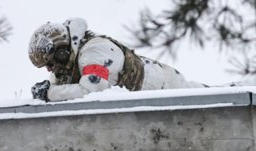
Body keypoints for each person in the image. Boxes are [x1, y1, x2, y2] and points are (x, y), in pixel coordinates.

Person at [27, 18, 205, 102]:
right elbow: (58, 89)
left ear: (62, 52)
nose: (50, 70)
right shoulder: (70, 62)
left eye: (50, 63)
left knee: (207, 97)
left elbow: (90, 91)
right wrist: (46, 92)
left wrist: (48, 94)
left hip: (167, 87)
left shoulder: (95, 51)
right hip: (148, 98)